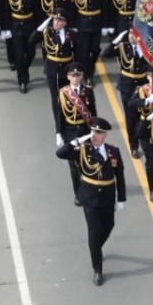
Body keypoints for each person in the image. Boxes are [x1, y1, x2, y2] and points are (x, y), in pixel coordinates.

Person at [56, 117, 125, 286]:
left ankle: (96, 248)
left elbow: (120, 176)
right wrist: (76, 141)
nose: (96, 135)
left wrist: (121, 198)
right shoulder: (82, 149)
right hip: (89, 196)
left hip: (107, 195)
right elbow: (60, 154)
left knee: (108, 226)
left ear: (105, 135)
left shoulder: (113, 151)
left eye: (99, 133)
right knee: (94, 231)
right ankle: (98, 268)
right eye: (93, 132)